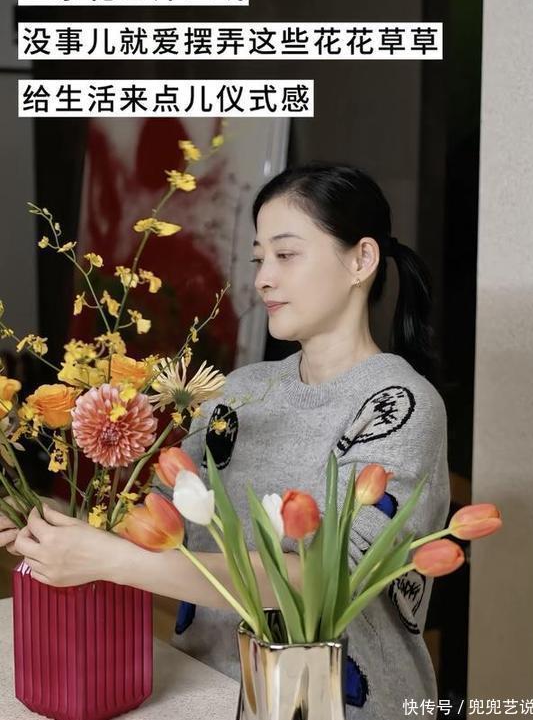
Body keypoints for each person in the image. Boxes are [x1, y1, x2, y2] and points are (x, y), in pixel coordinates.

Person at [0, 163, 450, 720]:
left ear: (361, 259)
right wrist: (52, 527)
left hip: (339, 704)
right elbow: (160, 527)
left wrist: (112, 562)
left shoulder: (399, 405)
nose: (263, 279)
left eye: (286, 255)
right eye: (260, 259)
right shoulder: (239, 393)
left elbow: (327, 581)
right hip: (207, 691)